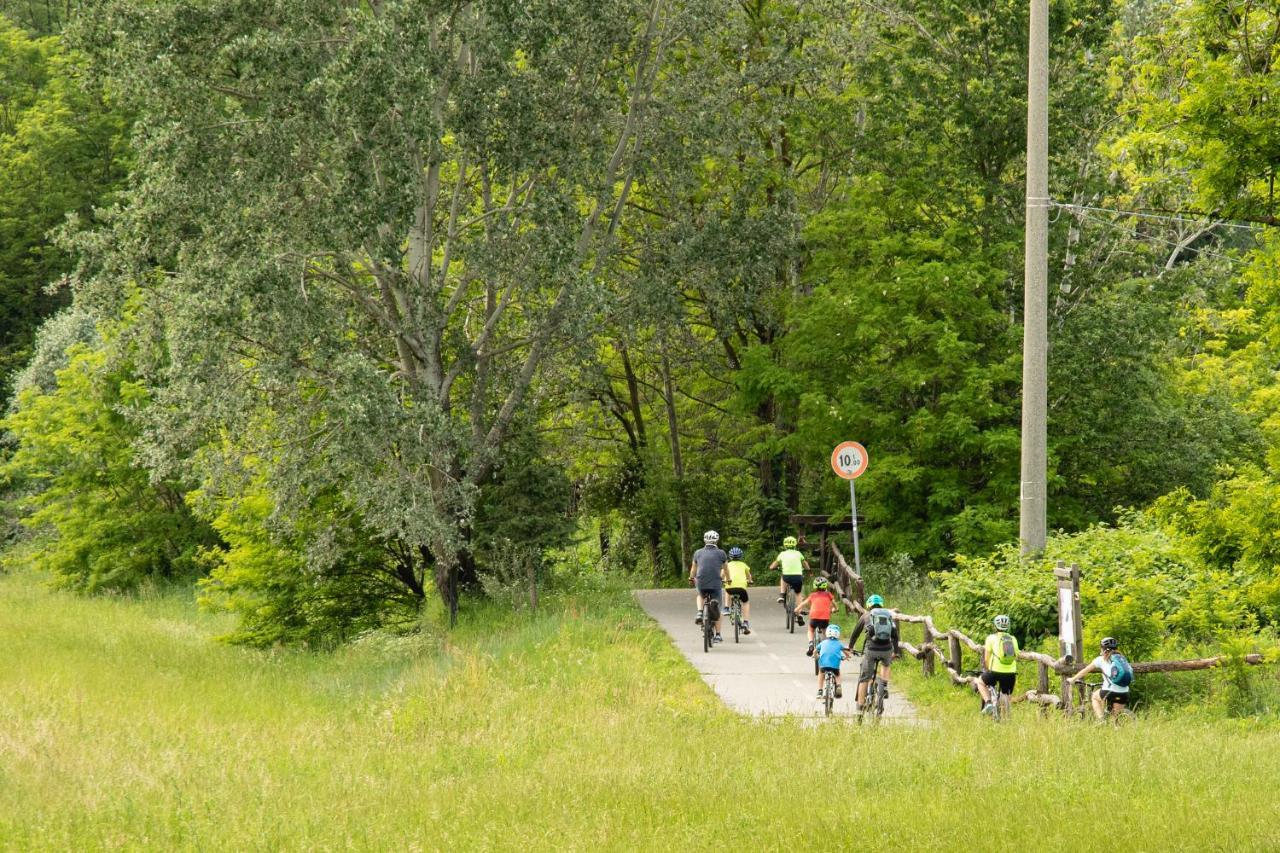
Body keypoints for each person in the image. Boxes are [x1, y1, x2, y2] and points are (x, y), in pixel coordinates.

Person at [849, 594, 899, 714]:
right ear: (881, 604)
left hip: (871, 649)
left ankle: (860, 708)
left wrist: (850, 647)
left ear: (868, 605)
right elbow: (895, 635)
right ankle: (884, 686)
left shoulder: (865, 615)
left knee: (864, 679)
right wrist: (896, 652)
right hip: (887, 648)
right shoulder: (888, 615)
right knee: (886, 664)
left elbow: (855, 633)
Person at [1068, 637, 1132, 720]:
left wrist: (1073, 679)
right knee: (1115, 718)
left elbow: (1085, 670)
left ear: (1104, 649)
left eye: (1101, 647)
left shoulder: (1100, 660)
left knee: (1094, 697)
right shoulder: (1122, 659)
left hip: (1109, 691)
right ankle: (1116, 728)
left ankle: (1101, 720)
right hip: (1124, 692)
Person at [690, 530, 728, 644]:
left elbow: (693, 569)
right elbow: (726, 569)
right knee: (719, 608)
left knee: (700, 594)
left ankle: (700, 612)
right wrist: (729, 579)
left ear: (704, 539)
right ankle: (718, 635)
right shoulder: (721, 553)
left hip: (701, 582)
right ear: (717, 540)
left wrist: (691, 577)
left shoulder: (697, 553)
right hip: (716, 583)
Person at [977, 614, 1019, 715]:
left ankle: (988, 703)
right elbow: (1016, 656)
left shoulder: (991, 638)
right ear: (1008, 626)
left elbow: (986, 658)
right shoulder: (1013, 639)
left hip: (995, 671)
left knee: (980, 682)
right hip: (1011, 673)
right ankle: (1006, 719)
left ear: (995, 626)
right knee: (1007, 695)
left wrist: (987, 669)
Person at [770, 536, 809, 624]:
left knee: (783, 576)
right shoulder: (798, 553)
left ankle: (782, 594)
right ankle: (799, 614)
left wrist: (772, 567)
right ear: (795, 545)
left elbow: (774, 564)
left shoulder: (782, 554)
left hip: (787, 576)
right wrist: (807, 569)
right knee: (798, 594)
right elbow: (805, 563)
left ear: (785, 545)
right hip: (797, 577)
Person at [795, 576, 837, 656]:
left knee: (810, 630)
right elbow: (834, 604)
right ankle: (826, 647)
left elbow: (804, 603)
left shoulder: (812, 595)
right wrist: (836, 608)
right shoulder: (828, 595)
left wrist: (797, 609)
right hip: (825, 618)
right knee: (825, 632)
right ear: (825, 586)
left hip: (814, 617)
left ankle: (811, 644)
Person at [814, 624, 851, 699]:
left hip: (824, 665)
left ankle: (820, 690)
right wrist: (847, 656)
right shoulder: (839, 643)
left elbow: (815, 651)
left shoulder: (823, 642)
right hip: (835, 667)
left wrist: (816, 656)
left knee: (821, 673)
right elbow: (846, 652)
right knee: (837, 674)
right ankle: (838, 686)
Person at [724, 546, 753, 635]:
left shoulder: (727, 565)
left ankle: (726, 608)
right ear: (741, 556)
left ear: (730, 556)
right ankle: (746, 622)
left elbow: (722, 575)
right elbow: (749, 576)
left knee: (727, 589)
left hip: (730, 587)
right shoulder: (744, 565)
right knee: (745, 602)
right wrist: (750, 581)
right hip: (741, 588)